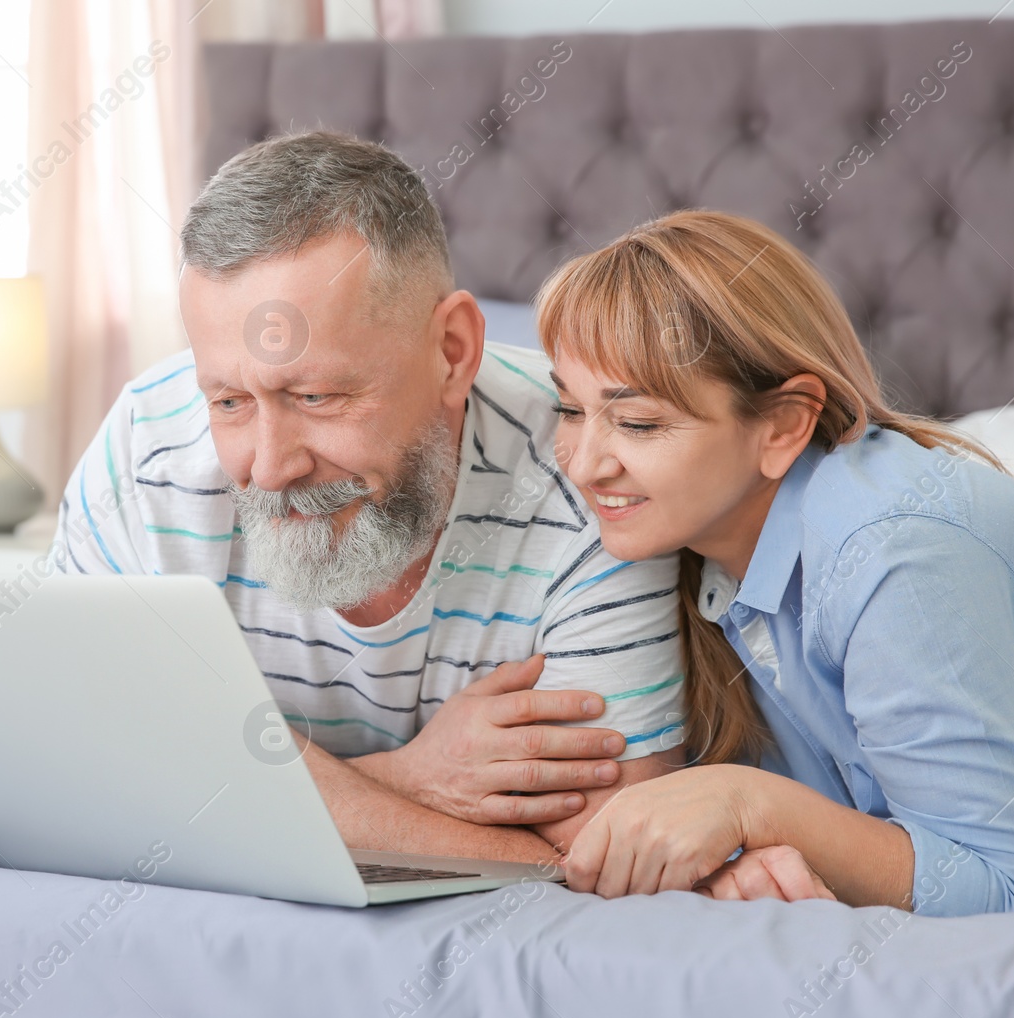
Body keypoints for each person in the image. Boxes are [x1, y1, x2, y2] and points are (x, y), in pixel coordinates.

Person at [539, 209, 1014, 915]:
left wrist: (750, 805)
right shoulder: (682, 548)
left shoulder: (896, 549)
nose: (583, 462)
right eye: (569, 408)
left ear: (785, 425)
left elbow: (1004, 885)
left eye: (637, 421)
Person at [53, 131, 686, 865]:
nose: (269, 465)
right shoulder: (142, 450)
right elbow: (81, 769)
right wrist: (411, 777)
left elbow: (596, 848)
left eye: (316, 394)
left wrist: (230, 782)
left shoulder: (595, 476)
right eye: (228, 400)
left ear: (453, 351)